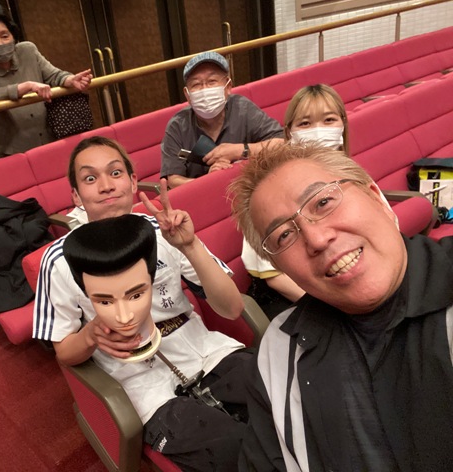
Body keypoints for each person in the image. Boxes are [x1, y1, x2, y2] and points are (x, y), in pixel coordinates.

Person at [33, 136, 254, 471]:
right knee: (237, 454)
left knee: (290, 404)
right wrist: (91, 335)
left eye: (115, 173)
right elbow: (64, 352)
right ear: (76, 196)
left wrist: (189, 246)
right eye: (90, 178)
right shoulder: (59, 260)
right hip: (142, 387)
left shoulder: (166, 230)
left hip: (207, 353)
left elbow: (232, 309)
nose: (106, 186)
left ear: (134, 181)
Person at [229, 141, 453, 471]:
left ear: (376, 197)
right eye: (284, 236)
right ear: (280, 267)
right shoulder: (279, 352)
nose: (317, 240)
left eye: (323, 202)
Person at [241, 84, 347, 319]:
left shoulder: (354, 177)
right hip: (296, 295)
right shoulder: (271, 189)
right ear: (289, 132)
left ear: (343, 124)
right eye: (305, 124)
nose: (318, 131)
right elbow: (275, 277)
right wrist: (338, 306)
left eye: (329, 120)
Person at [0, 2, 93, 158]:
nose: (0, 43)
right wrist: (27, 86)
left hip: (49, 139)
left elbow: (53, 75)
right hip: (13, 149)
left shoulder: (28, 50)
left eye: (5, 36)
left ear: (13, 34)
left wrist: (70, 79)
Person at [160, 51, 283, 189]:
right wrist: (209, 180)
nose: (205, 89)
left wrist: (239, 150)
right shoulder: (177, 126)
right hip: (202, 195)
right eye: (196, 84)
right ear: (187, 95)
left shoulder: (243, 109)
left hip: (246, 189)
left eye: (212, 81)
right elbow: (173, 180)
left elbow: (281, 143)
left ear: (228, 86)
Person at [63, 214, 159, 358]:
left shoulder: (163, 231)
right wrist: (89, 335)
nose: (124, 318)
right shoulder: (57, 263)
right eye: (105, 302)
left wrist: (190, 247)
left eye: (136, 295)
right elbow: (64, 355)